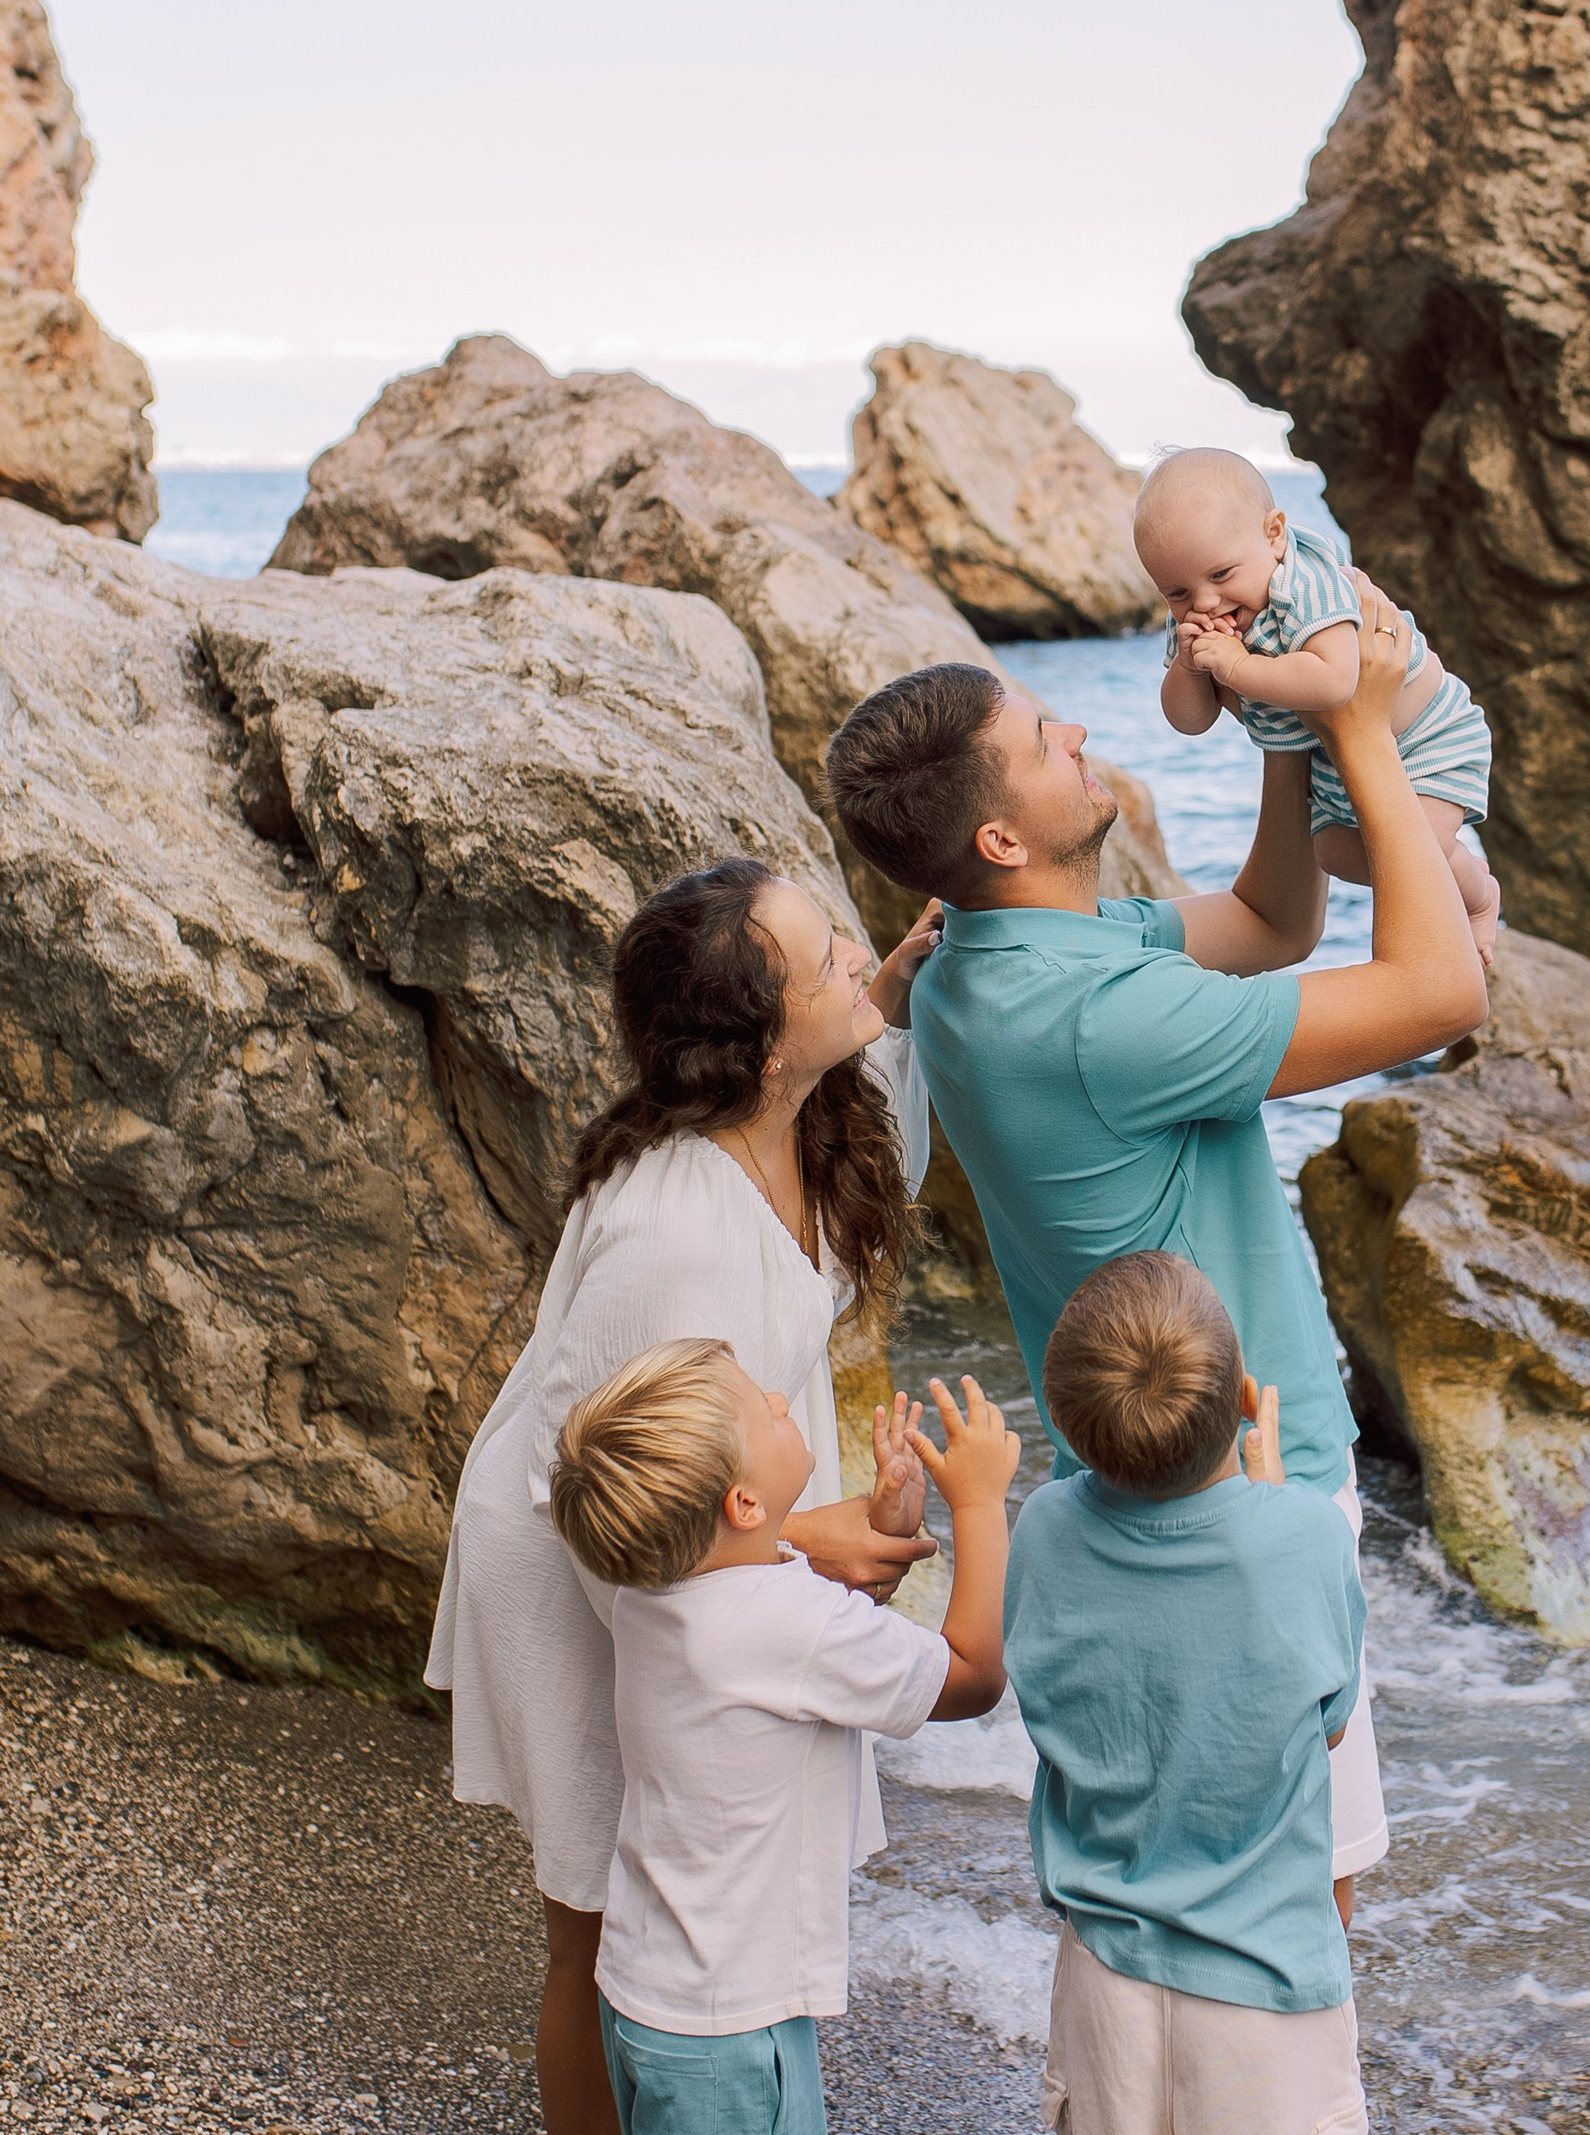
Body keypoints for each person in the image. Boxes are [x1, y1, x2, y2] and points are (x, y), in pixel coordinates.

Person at [822, 578, 1485, 1920]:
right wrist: (1363, 728)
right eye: (1043, 737)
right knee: (1302, 1894)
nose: (1078, 732)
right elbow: (1440, 990)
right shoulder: (1097, 1015)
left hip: (1141, 1473)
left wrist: (1285, 734)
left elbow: (1274, 927)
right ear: (1002, 833)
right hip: (1246, 1475)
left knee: (1178, 1882)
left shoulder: (995, 957)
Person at [425, 858, 947, 2135]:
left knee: (679, 1913)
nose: (849, 956)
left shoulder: (791, 1115)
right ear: (758, 1047)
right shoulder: (677, 1235)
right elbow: (592, 1479)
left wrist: (885, 989)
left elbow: (884, 1094)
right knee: (606, 1931)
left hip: (708, 1521)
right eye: (822, 956)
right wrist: (800, 1548)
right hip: (585, 1557)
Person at [550, 1341, 1018, 2135]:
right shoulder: (788, 1624)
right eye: (762, 1409)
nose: (778, 1398)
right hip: (733, 2028)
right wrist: (978, 1507)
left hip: (646, 1990)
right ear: (742, 1505)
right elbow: (972, 1677)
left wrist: (889, 1518)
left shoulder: (653, 1595)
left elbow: (798, 1601)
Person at [1005, 1254, 1368, 2135]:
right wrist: (1276, 1503)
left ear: (1067, 1417)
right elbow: (1325, 1725)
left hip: (1104, 1985)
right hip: (1267, 2003)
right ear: (1244, 1397)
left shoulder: (1045, 1527)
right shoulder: (1308, 1539)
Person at [1135, 449, 1499, 966]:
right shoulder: (1199, 620)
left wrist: (1237, 669)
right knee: (1336, 854)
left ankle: (1479, 896)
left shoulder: (1306, 585)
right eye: (1177, 592)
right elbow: (1189, 722)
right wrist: (1190, 670)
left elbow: (1334, 681)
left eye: (1221, 574)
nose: (1205, 602)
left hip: (1426, 740)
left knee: (1417, 852)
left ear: (1275, 534)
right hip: (1334, 766)